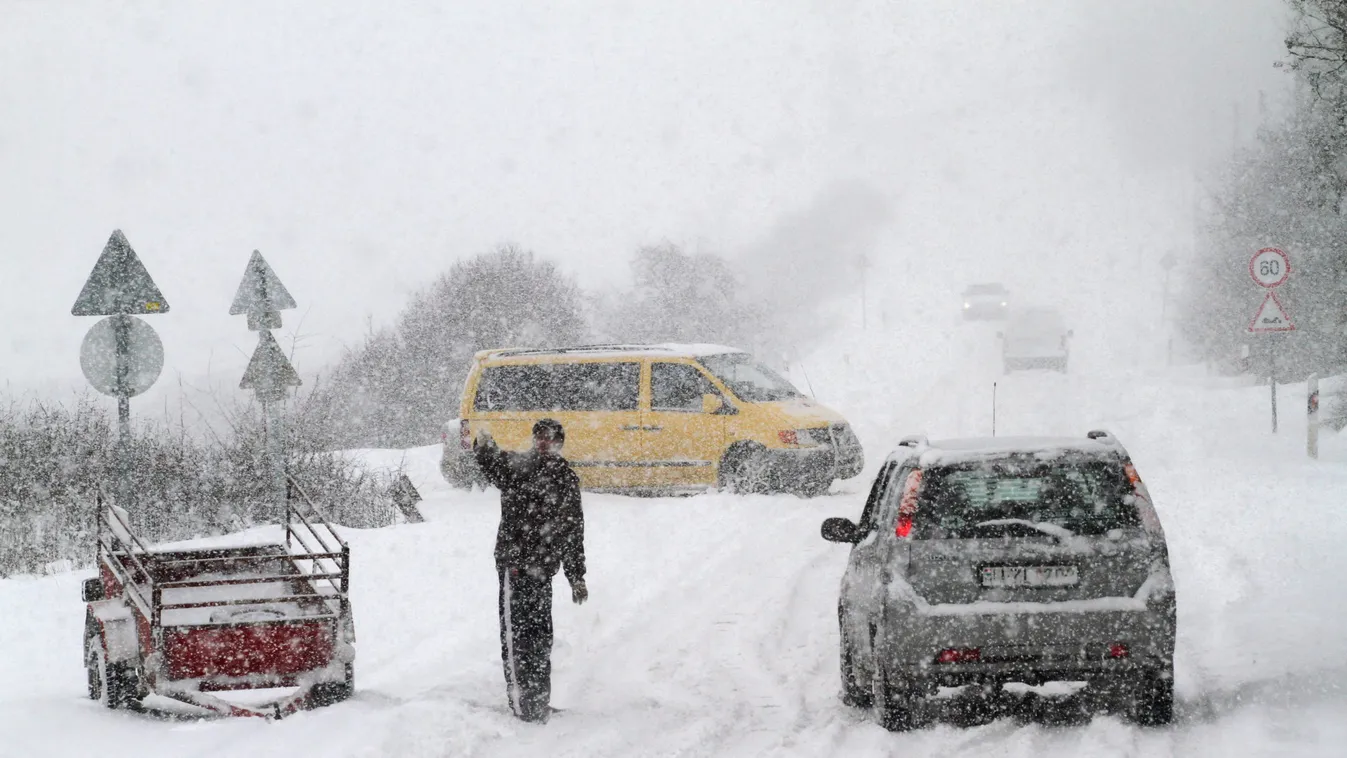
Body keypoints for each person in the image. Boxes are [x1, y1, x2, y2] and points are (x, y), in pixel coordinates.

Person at [474, 418, 587, 723]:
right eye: (540, 437)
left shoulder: (564, 477)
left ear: (559, 443)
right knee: (516, 639)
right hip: (515, 568)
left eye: (550, 438)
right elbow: (492, 464)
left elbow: (572, 529)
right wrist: (483, 447)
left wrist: (576, 575)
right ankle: (523, 705)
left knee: (540, 638)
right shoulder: (517, 467)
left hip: (543, 570)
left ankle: (539, 701)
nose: (544, 442)